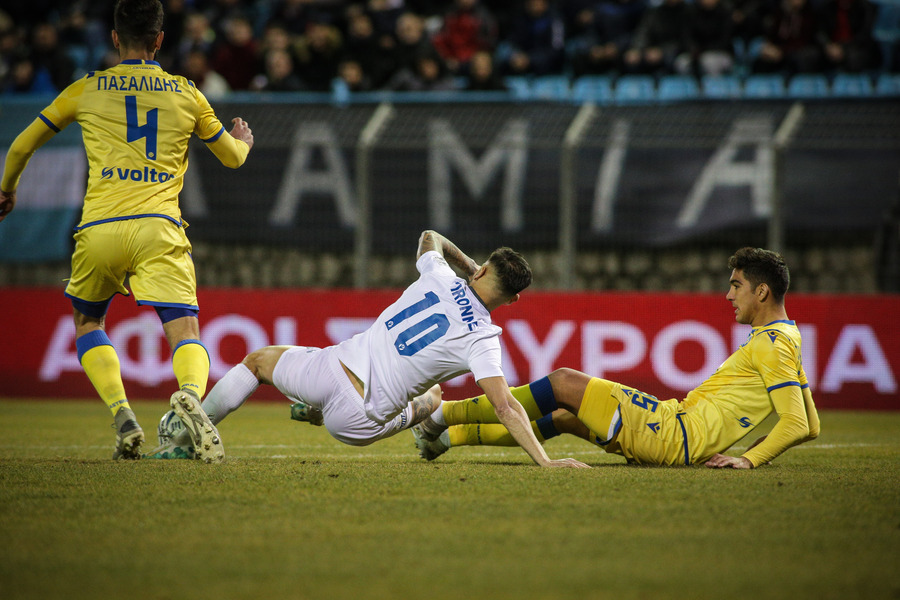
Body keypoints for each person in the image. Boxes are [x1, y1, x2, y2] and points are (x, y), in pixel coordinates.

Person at [0, 0, 254, 462]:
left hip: (98, 228)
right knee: (185, 330)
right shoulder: (187, 93)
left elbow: (20, 145)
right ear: (159, 40)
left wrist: (7, 191)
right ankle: (190, 400)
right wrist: (244, 141)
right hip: (158, 227)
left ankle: (123, 415)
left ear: (115, 38)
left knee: (88, 322)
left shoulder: (86, 89)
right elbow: (232, 158)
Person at [151, 230, 589, 469]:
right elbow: (505, 406)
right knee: (434, 397)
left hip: (330, 369)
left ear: (485, 268)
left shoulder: (439, 276)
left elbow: (429, 236)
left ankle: (194, 429)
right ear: (512, 300)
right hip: (360, 420)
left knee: (258, 361)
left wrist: (465, 263)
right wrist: (546, 462)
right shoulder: (484, 339)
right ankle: (425, 431)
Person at [412, 247, 820, 469]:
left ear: (762, 292)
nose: (729, 296)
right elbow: (812, 426)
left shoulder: (772, 343)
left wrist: (748, 460)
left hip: (673, 432)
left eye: (737, 286)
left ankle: (441, 416)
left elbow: (796, 422)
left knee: (563, 382)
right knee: (566, 417)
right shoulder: (787, 338)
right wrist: (742, 450)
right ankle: (445, 440)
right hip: (678, 433)